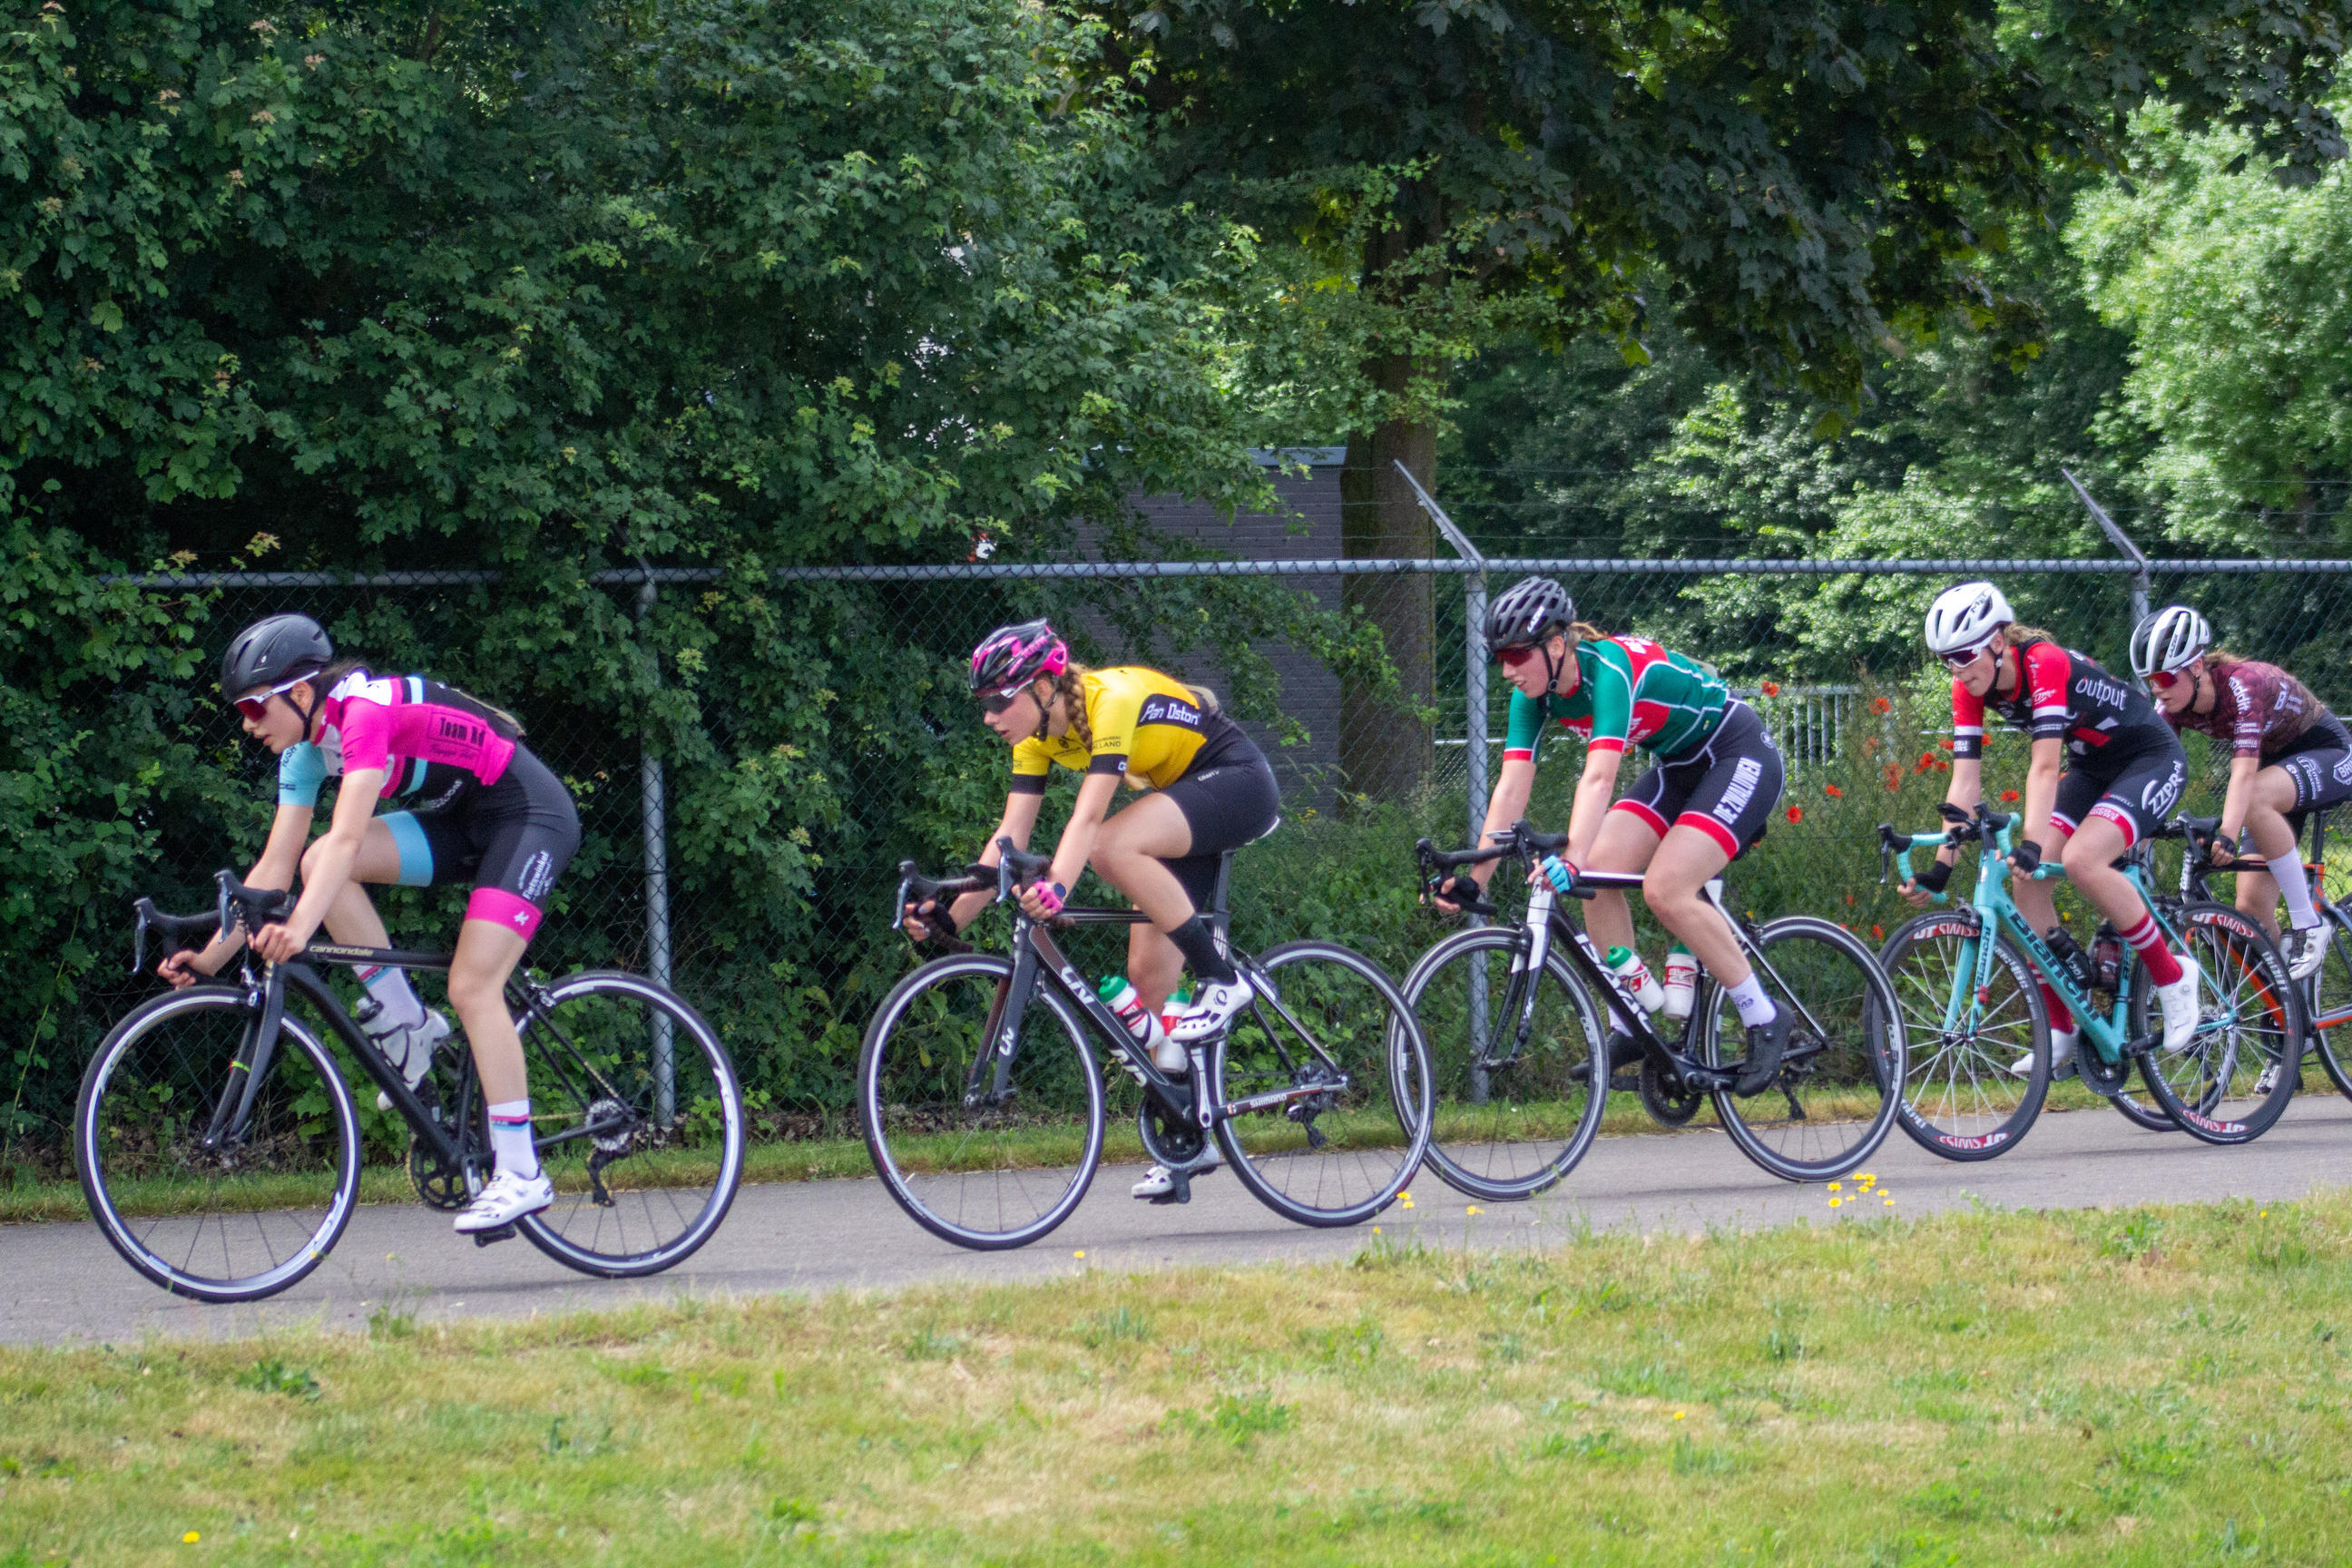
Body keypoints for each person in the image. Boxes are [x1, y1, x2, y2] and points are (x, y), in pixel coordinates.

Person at [164, 613, 582, 1233]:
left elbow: (348, 836)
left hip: (527, 814)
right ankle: (408, 1023)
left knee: (471, 986)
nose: (249, 727)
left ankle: (521, 1171)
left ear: (300, 694)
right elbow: (277, 868)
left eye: (255, 711)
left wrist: (301, 928)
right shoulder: (305, 752)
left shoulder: (362, 715)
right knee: (313, 860)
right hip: (458, 819)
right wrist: (209, 959)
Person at [900, 620, 1279, 1199]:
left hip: (1235, 781)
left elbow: (1087, 821)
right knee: (1146, 990)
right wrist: (950, 917)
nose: (990, 716)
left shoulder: (1110, 705)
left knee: (1108, 846)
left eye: (1001, 699)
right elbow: (1008, 838)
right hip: (1181, 801)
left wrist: (1056, 888)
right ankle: (1186, 1141)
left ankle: (1222, 979)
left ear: (1044, 686)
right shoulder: (1034, 739)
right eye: (984, 703)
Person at [1431, 577, 1791, 1095]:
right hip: (1679, 766)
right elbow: (1510, 789)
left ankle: (1764, 1016)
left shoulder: (1610, 673)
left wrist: (1570, 860)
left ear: (1556, 646)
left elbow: (1599, 778)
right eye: (1499, 657)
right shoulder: (1534, 697)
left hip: (1737, 753)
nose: (1506, 670)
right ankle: (1633, 1025)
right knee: (1598, 877)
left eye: (1515, 655)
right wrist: (1476, 879)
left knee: (1663, 889)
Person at [1902, 583, 2200, 1077]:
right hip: (2092, 767)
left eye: (1962, 655)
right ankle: (2062, 1028)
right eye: (1945, 660)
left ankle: (2173, 977)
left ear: (1998, 641)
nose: (1956, 669)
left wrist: (2034, 844)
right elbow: (1965, 779)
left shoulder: (2043, 662)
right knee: (2023, 881)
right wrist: (1941, 868)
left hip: (2148, 757)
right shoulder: (1968, 684)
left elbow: (2043, 768)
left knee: (2082, 860)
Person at [2132, 603, 2345, 982]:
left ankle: (2308, 924)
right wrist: (2139, 836)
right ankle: (2290, 1022)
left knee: (2255, 797)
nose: (2157, 690)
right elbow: (2156, 772)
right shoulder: (2172, 706)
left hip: (2325, 752)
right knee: (2251, 911)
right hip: (2273, 769)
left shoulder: (2242, 686)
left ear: (2197, 666)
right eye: (2150, 681)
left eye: (2165, 678)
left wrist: (2228, 835)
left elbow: (2244, 774)